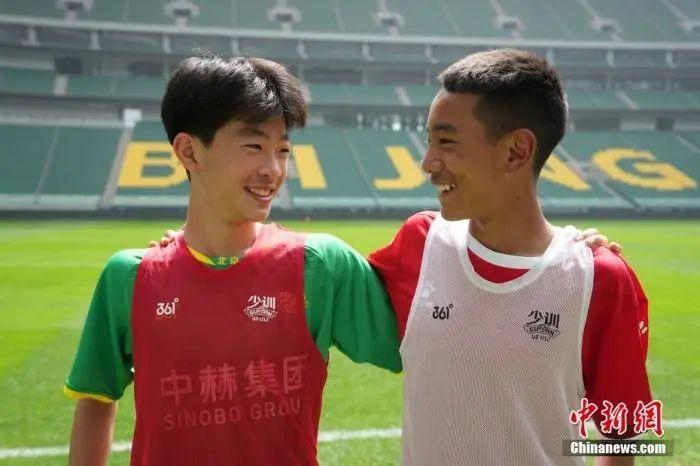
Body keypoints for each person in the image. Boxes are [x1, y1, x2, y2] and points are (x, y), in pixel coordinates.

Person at [63, 56, 402, 466]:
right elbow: (96, 400)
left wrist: (437, 235)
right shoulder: (130, 278)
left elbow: (423, 344)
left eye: (283, 150)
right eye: (254, 146)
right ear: (189, 151)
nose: (273, 170)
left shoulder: (320, 266)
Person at [368, 49, 651, 466]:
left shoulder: (599, 278)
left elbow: (621, 435)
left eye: (446, 142)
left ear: (516, 151)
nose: (428, 163)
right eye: (429, 141)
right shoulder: (420, 243)